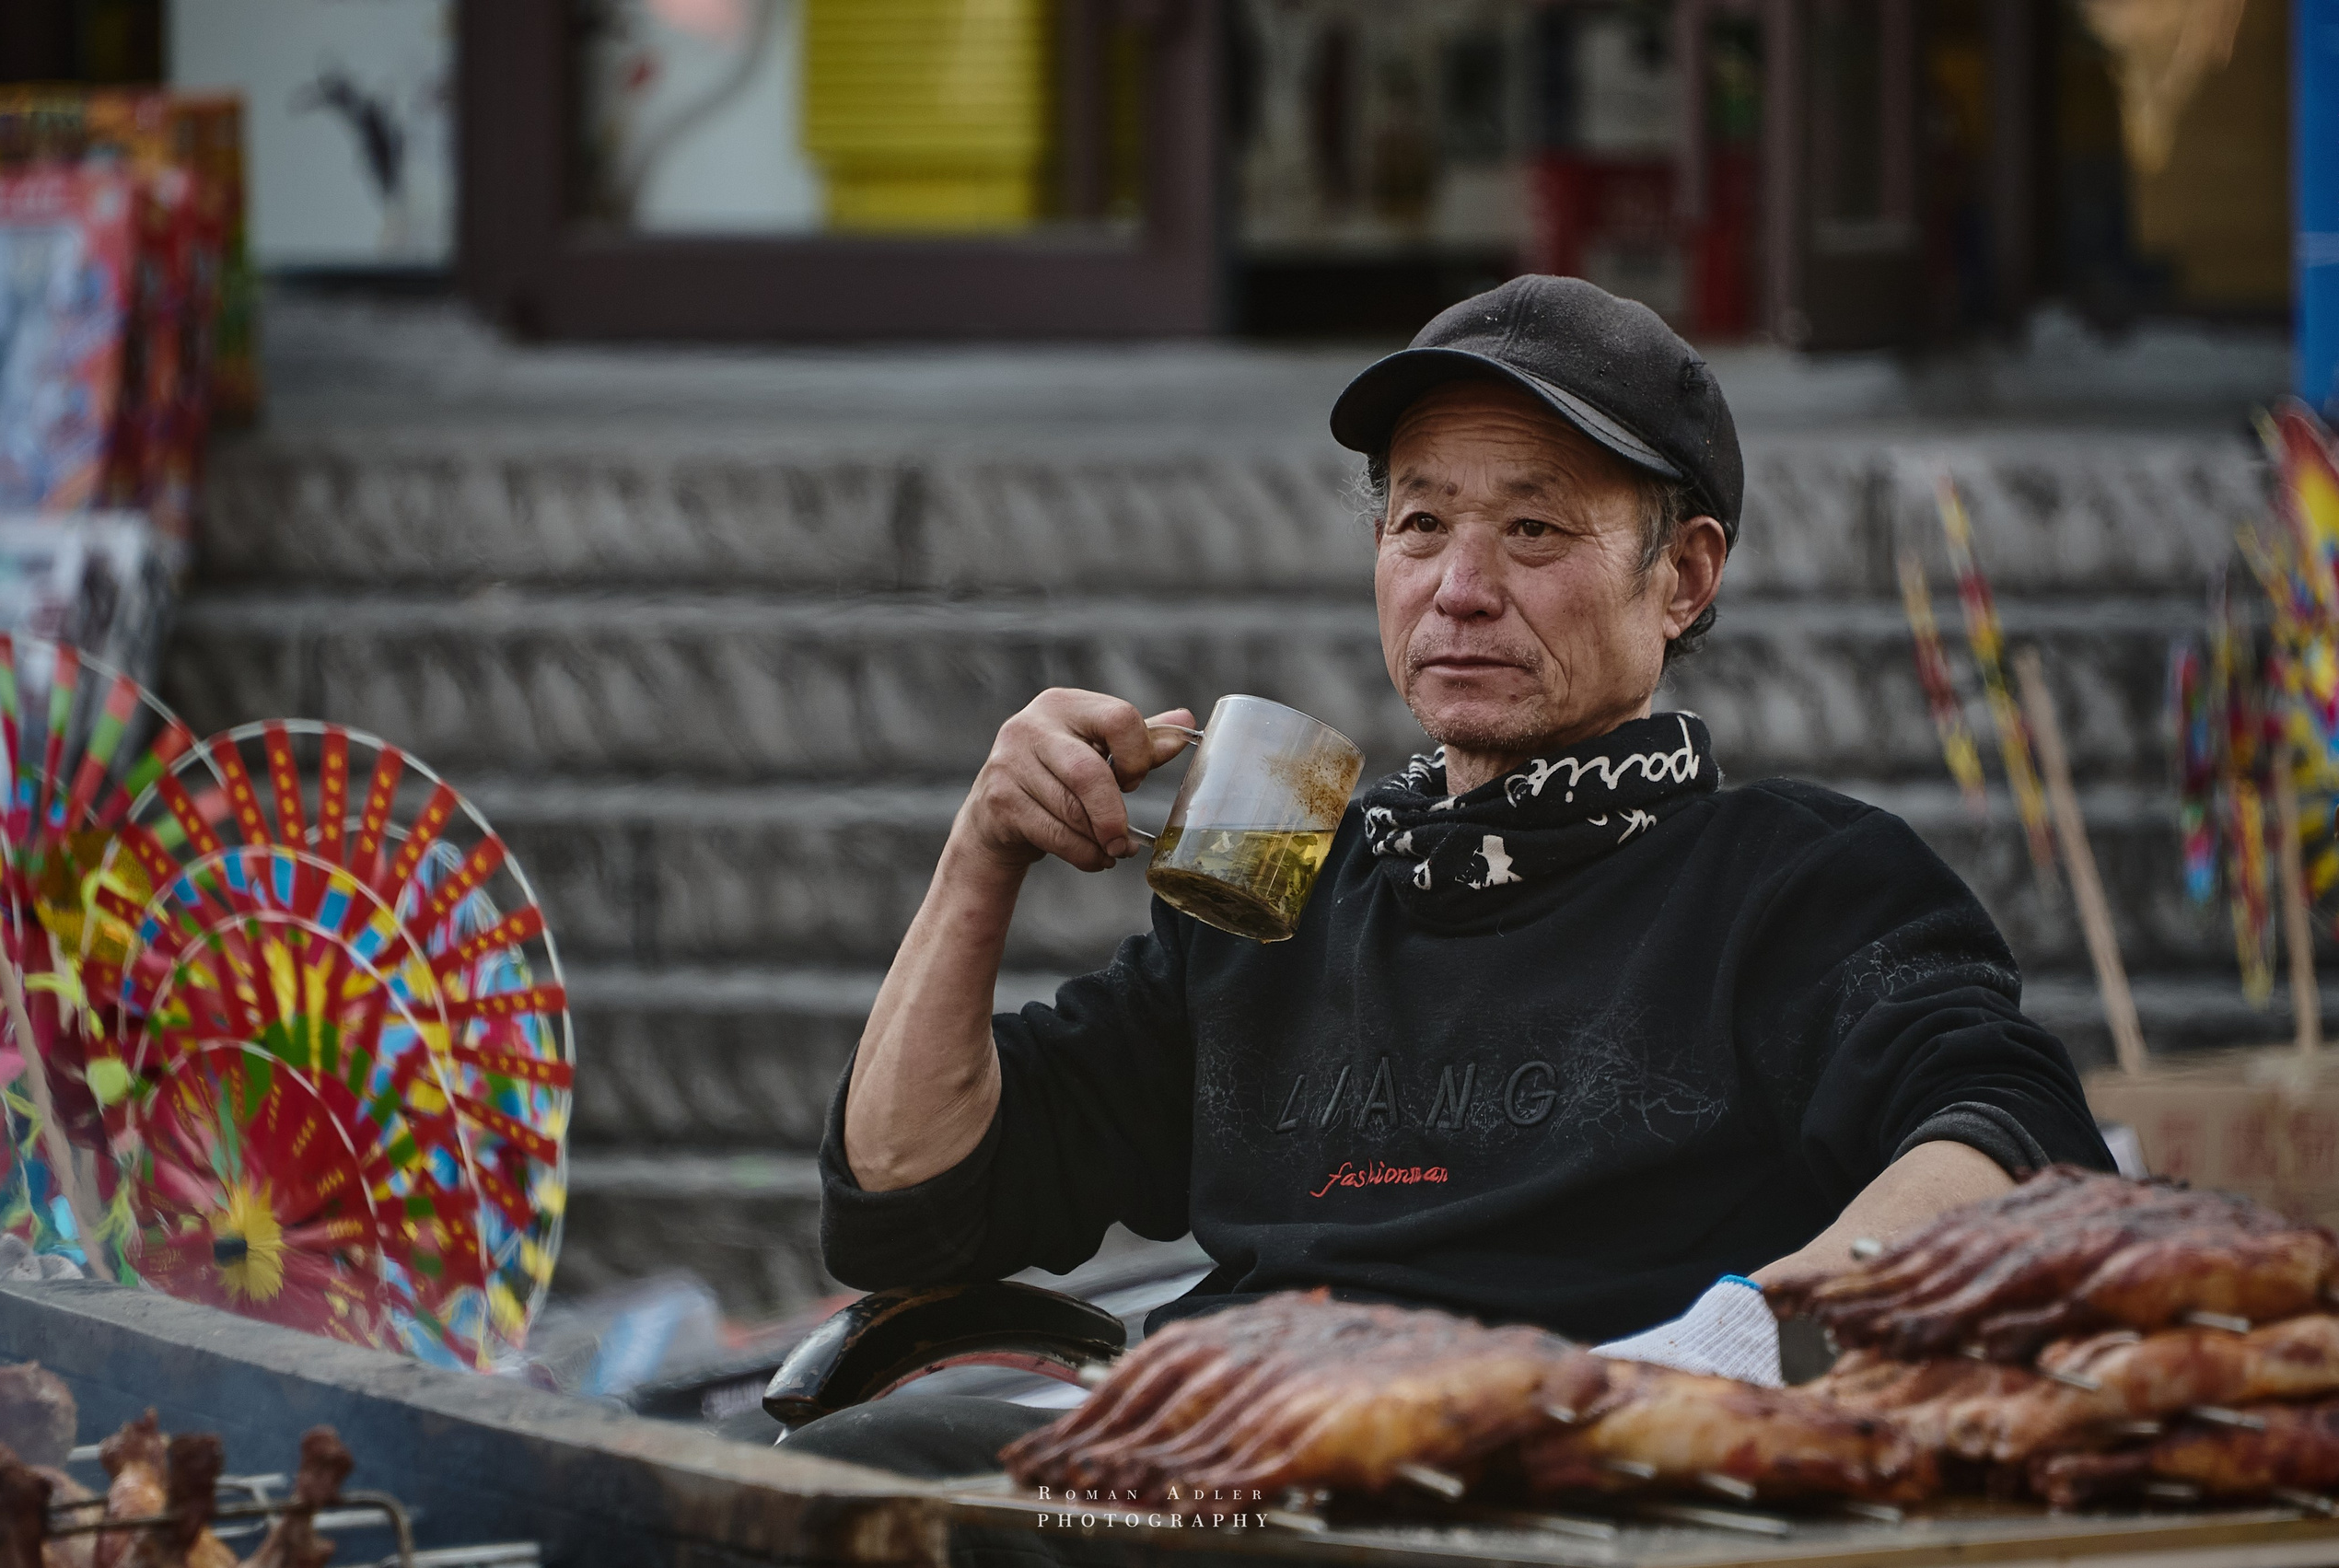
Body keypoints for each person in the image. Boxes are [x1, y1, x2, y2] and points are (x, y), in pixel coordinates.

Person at [785, 275, 2111, 1477]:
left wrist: (1715, 1361)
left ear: (1684, 578)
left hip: (1531, 1495)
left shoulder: (1794, 883)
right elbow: (910, 1209)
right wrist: (982, 859)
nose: (1460, 589)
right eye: (1420, 523)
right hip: (1210, 1484)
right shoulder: (1284, 875)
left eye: (1534, 532)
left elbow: (2015, 1140)